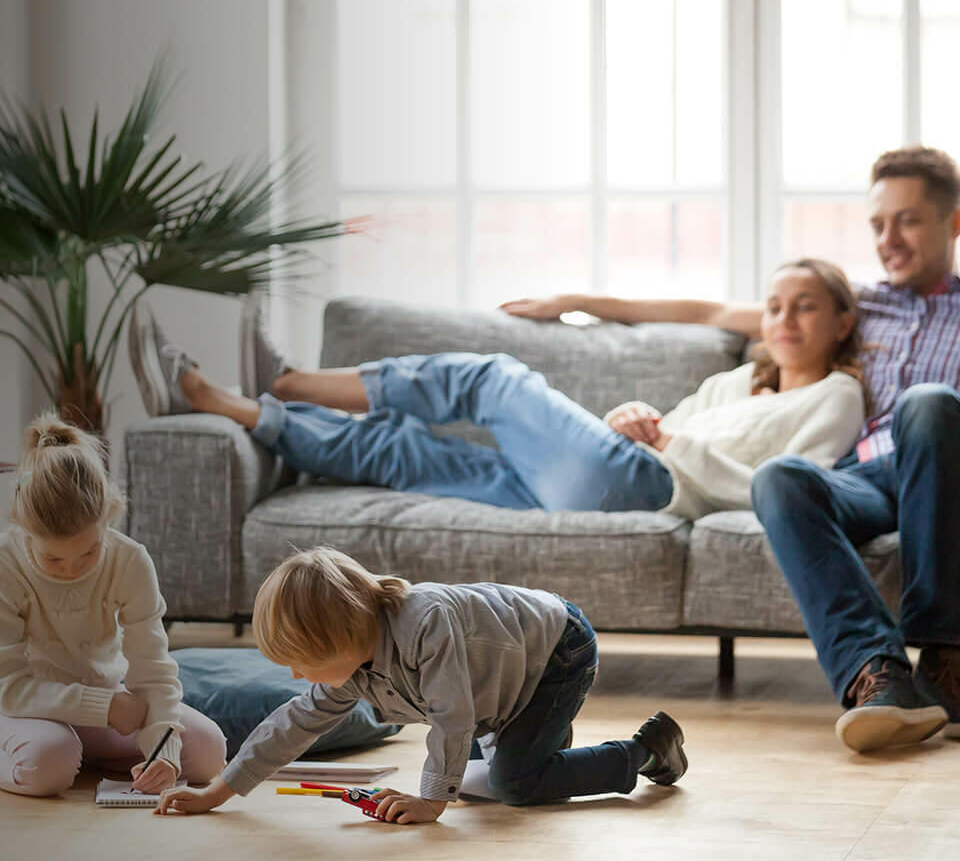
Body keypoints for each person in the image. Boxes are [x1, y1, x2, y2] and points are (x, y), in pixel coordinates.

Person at [504, 145, 960, 754]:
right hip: (865, 478)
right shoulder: (859, 303)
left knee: (927, 402)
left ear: (953, 221)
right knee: (780, 477)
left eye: (907, 220)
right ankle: (874, 677)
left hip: (941, 471)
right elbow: (707, 310)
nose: (888, 238)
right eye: (878, 223)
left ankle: (947, 658)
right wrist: (578, 302)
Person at [128, 258, 863, 523]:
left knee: (490, 378)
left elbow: (791, 487)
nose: (785, 319)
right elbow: (653, 427)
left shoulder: (837, 397)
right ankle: (238, 407)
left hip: (645, 484)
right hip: (610, 469)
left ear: (841, 320)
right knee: (404, 452)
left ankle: (285, 379)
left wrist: (665, 440)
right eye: (775, 306)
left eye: (805, 305)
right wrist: (638, 415)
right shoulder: (737, 379)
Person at [154, 545, 687, 821]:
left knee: (511, 787)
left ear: (342, 639)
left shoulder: (424, 621)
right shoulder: (351, 669)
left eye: (303, 663)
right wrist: (218, 791)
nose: (296, 677)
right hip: (500, 683)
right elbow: (291, 725)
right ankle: (540, 748)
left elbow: (452, 716)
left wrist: (431, 801)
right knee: (478, 787)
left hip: (555, 652)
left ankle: (644, 752)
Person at [0, 413, 227, 797]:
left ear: (109, 517)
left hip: (105, 703)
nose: (72, 570)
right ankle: (60, 749)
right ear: (24, 529)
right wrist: (103, 706)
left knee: (208, 753)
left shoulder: (131, 559)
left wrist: (163, 752)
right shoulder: (6, 563)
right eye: (53, 560)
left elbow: (152, 671)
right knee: (46, 766)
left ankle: (78, 751)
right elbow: (8, 685)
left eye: (89, 552)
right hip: (23, 706)